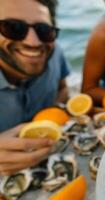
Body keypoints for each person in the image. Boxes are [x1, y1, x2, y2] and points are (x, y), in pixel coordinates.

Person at [0, 0, 70, 175]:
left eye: (44, 31)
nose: (33, 42)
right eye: (13, 28)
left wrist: (55, 113)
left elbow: (62, 89)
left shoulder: (54, 54)